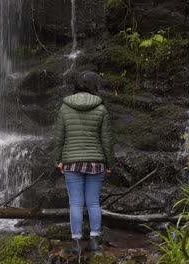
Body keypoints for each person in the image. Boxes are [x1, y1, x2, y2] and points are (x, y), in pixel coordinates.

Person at [53, 71, 114, 253]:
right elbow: (107, 141)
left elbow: (59, 137)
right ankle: (95, 241)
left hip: (72, 161)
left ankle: (77, 243)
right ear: (94, 86)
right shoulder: (101, 109)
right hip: (96, 162)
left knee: (76, 203)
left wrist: (58, 159)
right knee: (94, 202)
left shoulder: (65, 108)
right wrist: (110, 164)